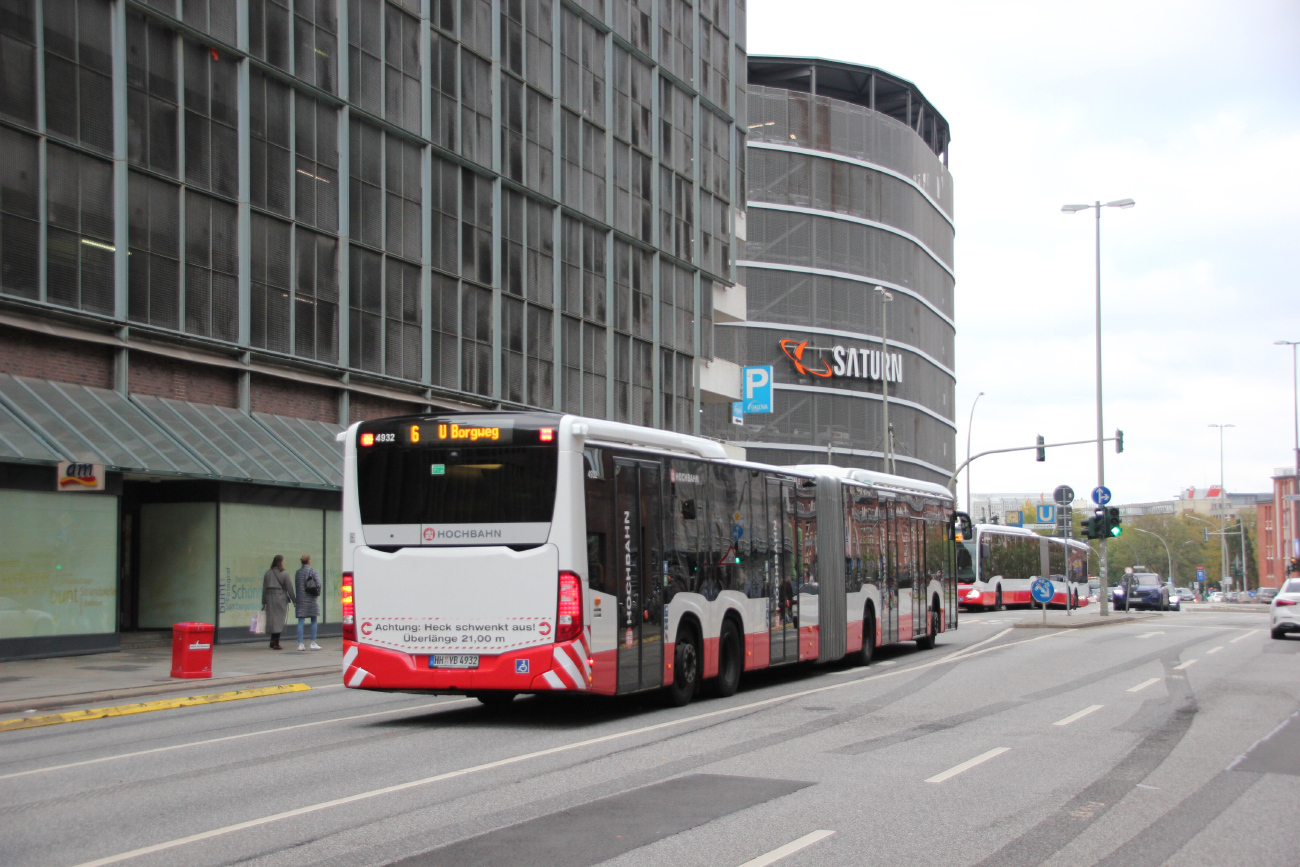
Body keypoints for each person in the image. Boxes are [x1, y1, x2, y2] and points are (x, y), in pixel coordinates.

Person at [261, 554, 295, 650]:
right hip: (280, 597)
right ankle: (276, 642)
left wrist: (263, 601)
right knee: (279, 619)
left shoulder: (268, 573)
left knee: (272, 619)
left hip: (269, 597)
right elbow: (289, 587)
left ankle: (272, 640)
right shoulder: (285, 573)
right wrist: (294, 599)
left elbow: (264, 588)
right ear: (280, 562)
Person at [294, 554, 323, 651]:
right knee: (313, 620)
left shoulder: (298, 572)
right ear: (309, 561)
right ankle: (313, 642)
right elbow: (319, 583)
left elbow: (297, 586)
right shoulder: (312, 571)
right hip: (311, 599)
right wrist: (317, 592)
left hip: (301, 600)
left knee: (301, 621)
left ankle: (300, 644)